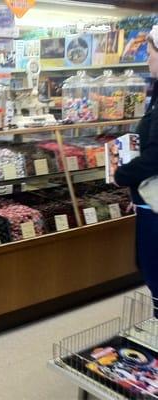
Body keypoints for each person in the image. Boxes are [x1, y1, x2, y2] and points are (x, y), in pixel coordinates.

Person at [114, 25, 158, 310]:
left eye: (151, 51)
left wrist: (122, 175)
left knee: (154, 269)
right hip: (149, 201)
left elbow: (155, 156)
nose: (147, 59)